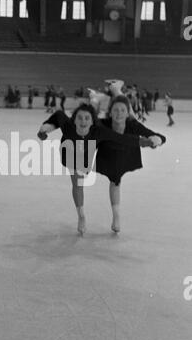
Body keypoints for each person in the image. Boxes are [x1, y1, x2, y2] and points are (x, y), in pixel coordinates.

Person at [37, 104, 154, 236]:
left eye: (87, 118)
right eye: (79, 118)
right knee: (77, 183)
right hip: (69, 151)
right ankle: (81, 217)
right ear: (74, 120)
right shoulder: (68, 126)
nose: (83, 121)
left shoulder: (98, 131)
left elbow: (121, 138)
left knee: (82, 178)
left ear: (93, 121)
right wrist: (45, 128)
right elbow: (58, 115)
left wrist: (144, 142)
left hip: (86, 151)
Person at [97, 96, 166, 233]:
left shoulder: (132, 125)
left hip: (126, 154)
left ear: (128, 113)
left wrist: (156, 140)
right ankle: (116, 216)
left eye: (123, 110)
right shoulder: (103, 123)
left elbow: (159, 137)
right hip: (108, 156)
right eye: (115, 110)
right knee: (115, 181)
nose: (119, 113)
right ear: (110, 112)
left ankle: (117, 90)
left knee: (116, 182)